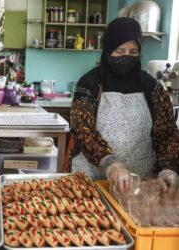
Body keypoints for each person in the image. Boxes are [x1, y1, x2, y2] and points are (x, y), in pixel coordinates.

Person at [68, 17, 179, 193]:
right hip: (92, 183)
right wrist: (110, 164)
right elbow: (82, 129)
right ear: (108, 49)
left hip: (139, 187)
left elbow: (167, 136)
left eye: (133, 52)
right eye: (120, 51)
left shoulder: (152, 88)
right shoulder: (90, 84)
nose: (126, 56)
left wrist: (169, 168)